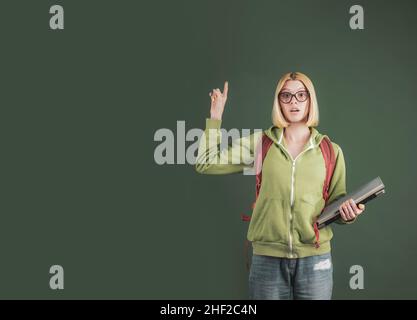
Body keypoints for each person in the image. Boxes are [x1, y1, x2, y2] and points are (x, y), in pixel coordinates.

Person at [194, 72, 365, 300]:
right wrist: (215, 117)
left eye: (300, 95)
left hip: (315, 260)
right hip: (267, 260)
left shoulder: (331, 150)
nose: (294, 101)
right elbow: (206, 163)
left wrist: (349, 213)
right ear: (279, 102)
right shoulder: (261, 143)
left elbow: (337, 204)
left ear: (310, 100)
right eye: (286, 95)